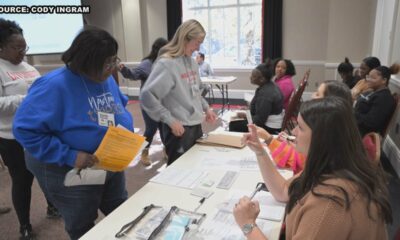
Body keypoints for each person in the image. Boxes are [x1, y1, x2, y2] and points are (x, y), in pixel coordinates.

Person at [13, 27, 134, 240]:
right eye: (106, 63)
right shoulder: (53, 86)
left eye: (113, 60)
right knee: (82, 221)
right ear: (84, 62)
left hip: (109, 160)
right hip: (69, 167)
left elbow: (119, 105)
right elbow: (24, 129)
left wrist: (126, 135)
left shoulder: (104, 78)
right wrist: (70, 155)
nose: (111, 68)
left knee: (121, 209)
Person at [234, 97, 392, 239]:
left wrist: (248, 225)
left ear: (321, 138)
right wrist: (260, 152)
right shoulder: (331, 165)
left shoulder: (330, 201)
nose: (294, 131)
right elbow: (282, 191)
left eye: (300, 127)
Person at [0, 18, 60, 240]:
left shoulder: (29, 68)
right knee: (22, 180)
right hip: (11, 137)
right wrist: (27, 99)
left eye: (25, 47)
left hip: (38, 133)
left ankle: (52, 207)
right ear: (2, 47)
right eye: (17, 48)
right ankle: (24, 225)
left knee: (44, 172)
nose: (22, 52)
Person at [140, 19, 217, 165]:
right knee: (178, 172)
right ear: (185, 38)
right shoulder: (166, 63)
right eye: (197, 42)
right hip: (178, 130)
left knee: (195, 167)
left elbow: (195, 92)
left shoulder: (192, 63)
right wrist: (170, 120)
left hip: (195, 125)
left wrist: (207, 108)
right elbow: (147, 96)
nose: (198, 48)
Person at [258, 80, 352, 173]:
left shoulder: (323, 142)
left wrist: (268, 139)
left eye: (318, 94)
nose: (312, 95)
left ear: (329, 104)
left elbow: (296, 160)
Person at [119, 37, 168, 166]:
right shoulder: (147, 64)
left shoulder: (166, 63)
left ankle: (166, 149)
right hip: (149, 103)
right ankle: (144, 152)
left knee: (164, 128)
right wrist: (124, 69)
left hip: (163, 103)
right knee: (151, 130)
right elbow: (133, 74)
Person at [229, 61, 283, 134]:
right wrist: (247, 111)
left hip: (269, 128)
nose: (250, 77)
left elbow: (259, 121)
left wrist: (245, 116)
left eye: (253, 76)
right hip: (267, 122)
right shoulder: (270, 85)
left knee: (233, 125)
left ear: (262, 79)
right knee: (236, 121)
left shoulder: (265, 94)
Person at [355, 64, 399, 136]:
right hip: (355, 127)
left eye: (373, 78)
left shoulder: (384, 98)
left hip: (363, 134)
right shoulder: (372, 91)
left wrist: (353, 114)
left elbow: (371, 123)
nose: (368, 79)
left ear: (384, 80)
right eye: (368, 76)